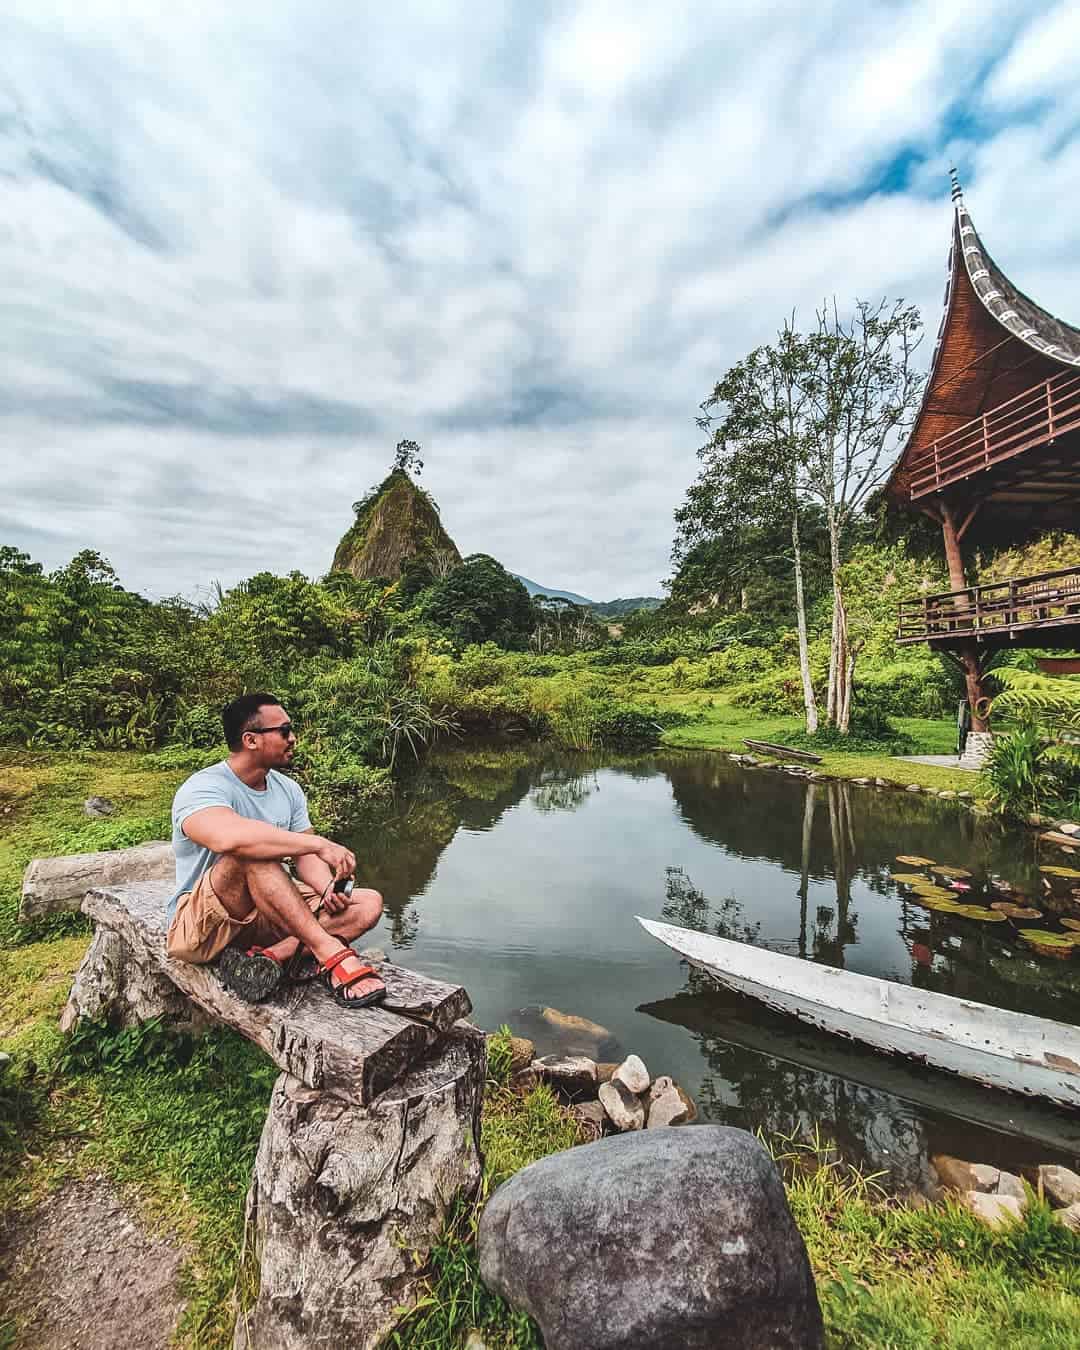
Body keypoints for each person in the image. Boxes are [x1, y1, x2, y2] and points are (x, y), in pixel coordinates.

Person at [165, 692, 385, 1007]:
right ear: (251, 740)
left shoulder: (287, 789)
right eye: (284, 731)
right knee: (252, 855)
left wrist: (326, 890)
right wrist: (319, 843)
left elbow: (305, 859)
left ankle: (269, 958)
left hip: (264, 916)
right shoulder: (203, 787)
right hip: (202, 928)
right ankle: (331, 953)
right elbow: (229, 839)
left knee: (367, 903)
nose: (293, 738)